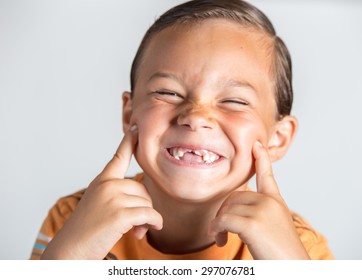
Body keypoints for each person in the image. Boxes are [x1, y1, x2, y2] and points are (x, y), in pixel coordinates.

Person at [31, 0, 333, 260]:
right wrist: (67, 258)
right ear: (129, 113)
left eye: (234, 100)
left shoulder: (299, 248)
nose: (196, 116)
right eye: (169, 92)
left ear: (277, 138)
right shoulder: (72, 220)